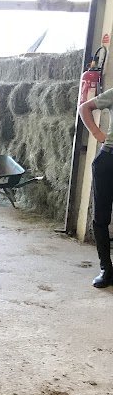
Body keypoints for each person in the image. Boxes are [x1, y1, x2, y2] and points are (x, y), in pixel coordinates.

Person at [79, 92, 113, 287]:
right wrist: (98, 134)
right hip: (109, 158)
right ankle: (106, 269)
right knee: (101, 217)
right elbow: (84, 108)